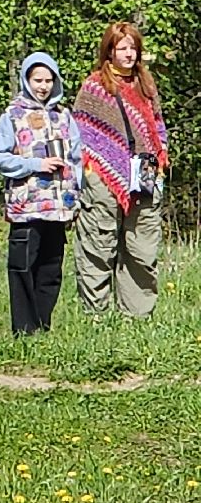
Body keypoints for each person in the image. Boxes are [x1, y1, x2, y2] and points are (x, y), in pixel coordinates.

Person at [71, 22, 169, 317]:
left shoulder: (146, 85)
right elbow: (82, 133)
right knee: (98, 246)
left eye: (133, 47)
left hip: (146, 174)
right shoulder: (93, 87)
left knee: (142, 248)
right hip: (103, 176)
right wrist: (89, 171)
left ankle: (137, 316)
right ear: (109, 51)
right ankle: (96, 317)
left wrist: (160, 156)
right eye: (122, 47)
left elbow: (158, 127)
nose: (129, 53)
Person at [0, 52, 82, 334]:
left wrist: (76, 195)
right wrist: (34, 165)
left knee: (51, 272)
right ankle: (23, 331)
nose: (43, 86)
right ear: (26, 80)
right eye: (37, 80)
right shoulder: (12, 116)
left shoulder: (64, 116)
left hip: (57, 208)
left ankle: (43, 327)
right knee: (22, 268)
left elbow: (76, 158)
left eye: (48, 80)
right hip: (25, 208)